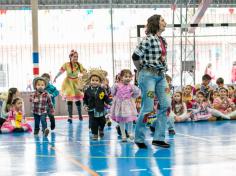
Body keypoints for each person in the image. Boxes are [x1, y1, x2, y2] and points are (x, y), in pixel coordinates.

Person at [132, 14, 170, 148]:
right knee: (148, 107)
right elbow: (135, 56)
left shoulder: (163, 40)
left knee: (166, 105)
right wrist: (141, 70)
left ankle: (158, 138)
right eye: (162, 20)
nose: (165, 22)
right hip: (148, 75)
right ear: (156, 23)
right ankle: (139, 138)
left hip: (161, 76)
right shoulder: (148, 39)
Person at [53, 50, 86, 123]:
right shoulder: (66, 64)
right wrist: (56, 77)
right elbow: (61, 72)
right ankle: (70, 117)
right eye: (74, 56)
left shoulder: (79, 65)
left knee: (77, 99)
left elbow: (83, 72)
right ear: (70, 57)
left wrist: (83, 75)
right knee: (69, 98)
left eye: (77, 57)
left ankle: (80, 115)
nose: (76, 58)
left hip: (76, 82)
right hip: (68, 82)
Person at [110, 69, 140, 142]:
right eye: (126, 76)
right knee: (121, 120)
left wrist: (132, 96)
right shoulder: (117, 85)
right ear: (120, 77)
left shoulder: (131, 86)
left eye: (129, 77)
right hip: (119, 106)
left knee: (130, 119)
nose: (128, 78)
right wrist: (116, 98)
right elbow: (112, 92)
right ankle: (123, 134)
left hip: (128, 105)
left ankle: (130, 132)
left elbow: (137, 92)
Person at [83, 69, 112, 140]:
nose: (94, 82)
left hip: (100, 109)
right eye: (93, 80)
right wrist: (85, 105)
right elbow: (85, 99)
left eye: (96, 80)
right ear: (90, 81)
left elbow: (105, 98)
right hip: (91, 109)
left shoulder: (101, 90)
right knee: (93, 122)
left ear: (99, 82)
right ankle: (95, 134)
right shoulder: (87, 90)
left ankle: (101, 129)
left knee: (103, 121)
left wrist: (110, 102)